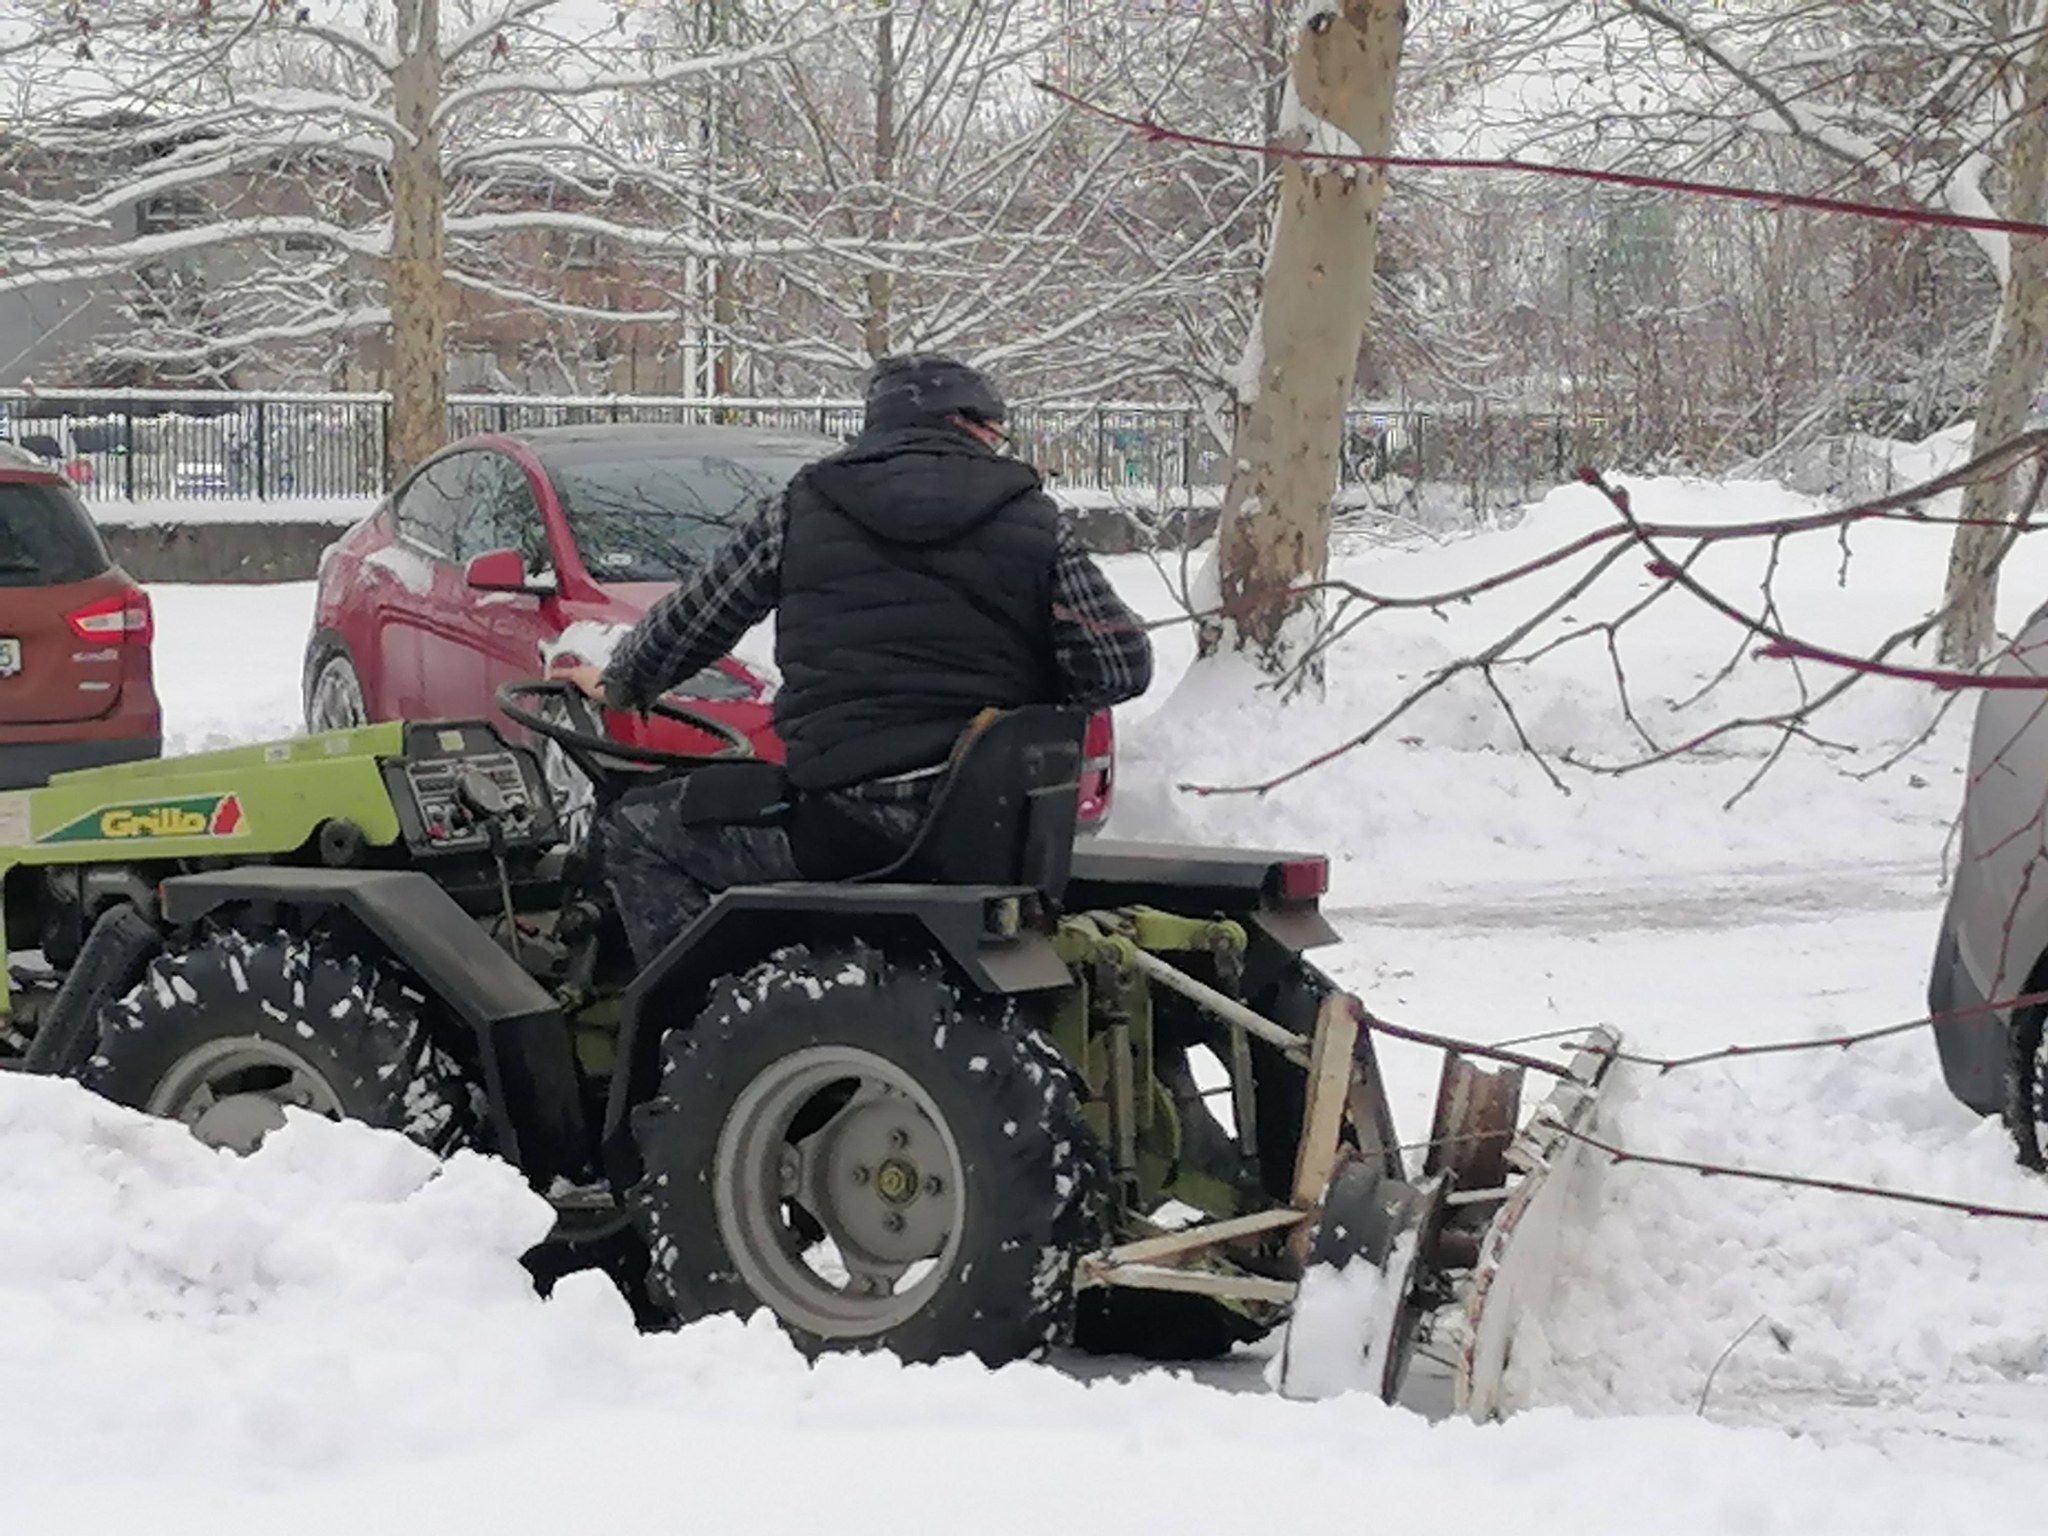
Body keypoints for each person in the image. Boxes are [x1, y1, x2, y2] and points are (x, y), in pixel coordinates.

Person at [553, 353, 1155, 965]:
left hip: (848, 823)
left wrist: (623, 684)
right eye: (996, 431)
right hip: (988, 827)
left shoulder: (803, 507)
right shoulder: (1033, 520)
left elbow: (692, 622)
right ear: (968, 425)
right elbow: (1120, 667)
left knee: (634, 831)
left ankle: (698, 1024)